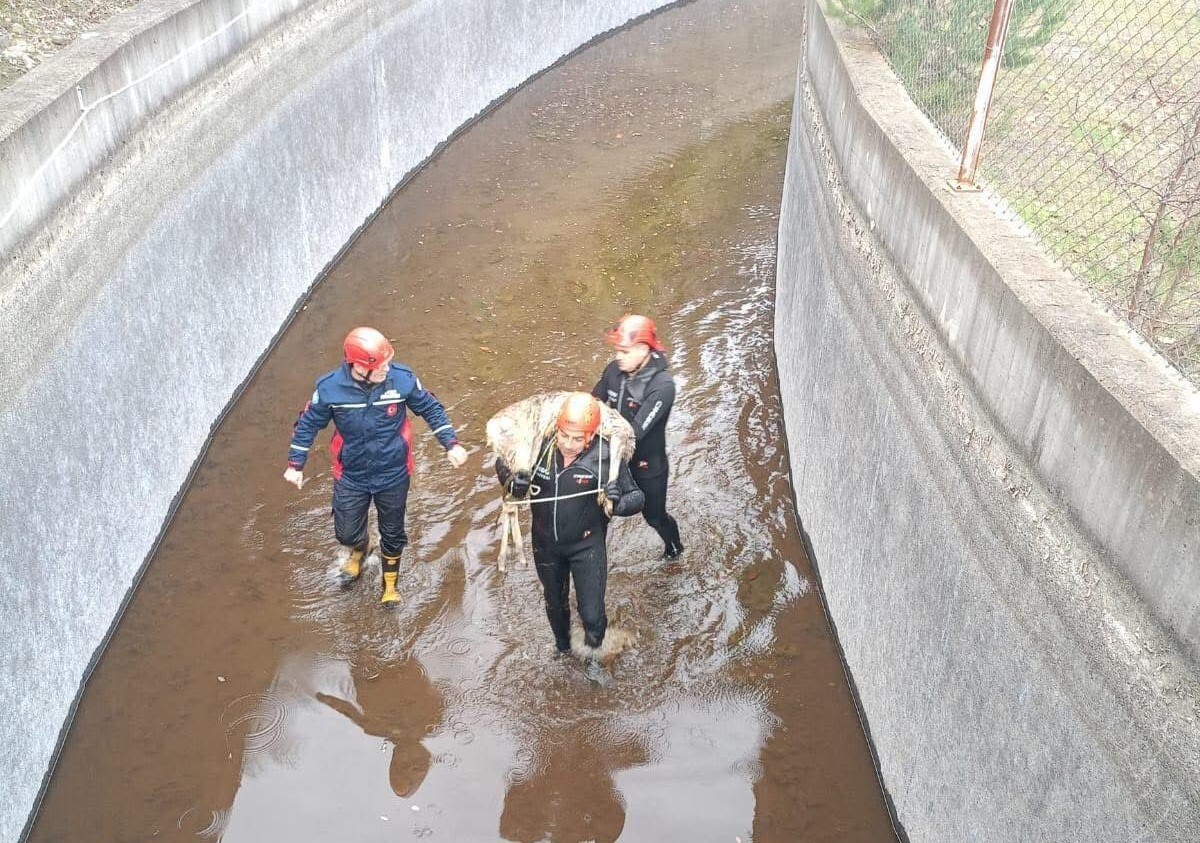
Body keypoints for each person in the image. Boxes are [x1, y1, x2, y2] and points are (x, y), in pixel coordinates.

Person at [284, 326, 468, 606]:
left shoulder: (402, 380)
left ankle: (390, 586)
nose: (387, 369)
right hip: (351, 474)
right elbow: (308, 423)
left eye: (387, 362)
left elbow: (431, 408)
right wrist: (295, 464)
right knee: (346, 532)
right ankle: (361, 548)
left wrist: (451, 444)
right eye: (380, 365)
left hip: (393, 472)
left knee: (393, 533)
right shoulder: (330, 389)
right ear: (359, 367)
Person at [495, 392, 644, 655]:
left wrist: (618, 502)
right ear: (556, 429)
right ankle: (562, 650)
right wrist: (513, 482)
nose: (568, 444)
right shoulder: (537, 447)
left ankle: (594, 659)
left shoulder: (605, 455)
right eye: (563, 435)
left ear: (591, 436)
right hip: (545, 544)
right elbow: (502, 463)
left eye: (577, 439)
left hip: (587, 546)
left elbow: (637, 497)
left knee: (592, 615)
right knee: (554, 603)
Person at [592, 314, 683, 559]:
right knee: (597, 513)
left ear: (643, 349)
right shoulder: (614, 371)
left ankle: (674, 550)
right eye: (617, 351)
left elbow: (634, 432)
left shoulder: (662, 386)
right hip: (613, 457)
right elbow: (592, 404)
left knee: (654, 517)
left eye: (624, 351)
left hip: (647, 464)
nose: (618, 357)